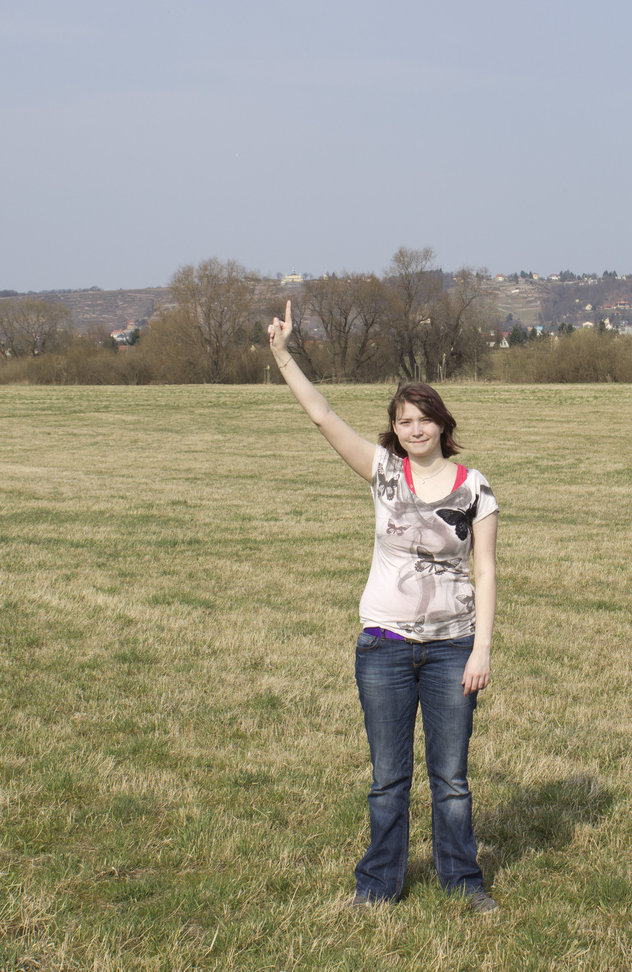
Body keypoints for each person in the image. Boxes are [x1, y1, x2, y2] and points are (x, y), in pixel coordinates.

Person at [267, 300, 501, 913]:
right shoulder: (382, 475)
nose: (414, 429)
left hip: (454, 647)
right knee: (387, 780)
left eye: (424, 419)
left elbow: (486, 569)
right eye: (404, 421)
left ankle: (464, 883)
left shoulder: (475, 488)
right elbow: (322, 417)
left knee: (451, 782)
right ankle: (377, 888)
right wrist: (283, 355)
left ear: (441, 424)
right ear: (394, 429)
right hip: (386, 646)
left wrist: (481, 648)